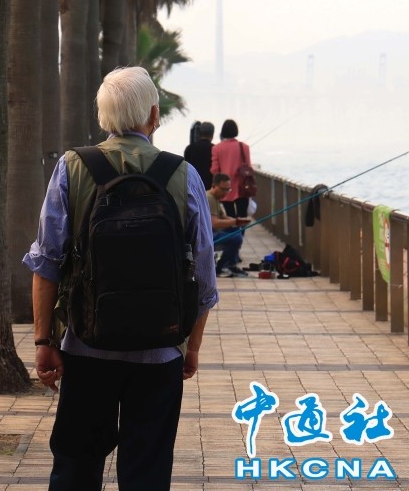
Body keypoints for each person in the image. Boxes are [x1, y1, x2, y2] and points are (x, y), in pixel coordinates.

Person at [23, 66, 218, 490]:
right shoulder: (182, 174)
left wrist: (43, 342)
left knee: (75, 467)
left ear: (103, 116)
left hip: (86, 347)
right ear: (154, 114)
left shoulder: (72, 167)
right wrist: (190, 347)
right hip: (160, 351)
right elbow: (204, 278)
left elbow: (46, 262)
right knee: (146, 472)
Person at [207, 173, 249, 278]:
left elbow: (223, 217)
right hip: (207, 236)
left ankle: (230, 263)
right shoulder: (210, 198)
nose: (225, 192)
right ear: (214, 186)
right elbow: (214, 223)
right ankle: (223, 266)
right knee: (236, 238)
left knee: (236, 231)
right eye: (223, 189)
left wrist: (239, 221)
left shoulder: (215, 198)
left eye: (228, 189)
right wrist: (235, 222)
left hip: (213, 233)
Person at [210, 118, 252, 218]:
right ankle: (241, 228)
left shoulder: (216, 148)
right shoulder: (244, 147)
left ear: (223, 131)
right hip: (242, 187)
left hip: (224, 187)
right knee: (242, 216)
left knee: (229, 217)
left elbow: (214, 170)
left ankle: (232, 228)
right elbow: (249, 167)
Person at [184, 121, 214, 190]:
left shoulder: (189, 148)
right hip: (209, 186)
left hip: (193, 186)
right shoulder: (214, 149)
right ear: (212, 135)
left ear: (199, 133)